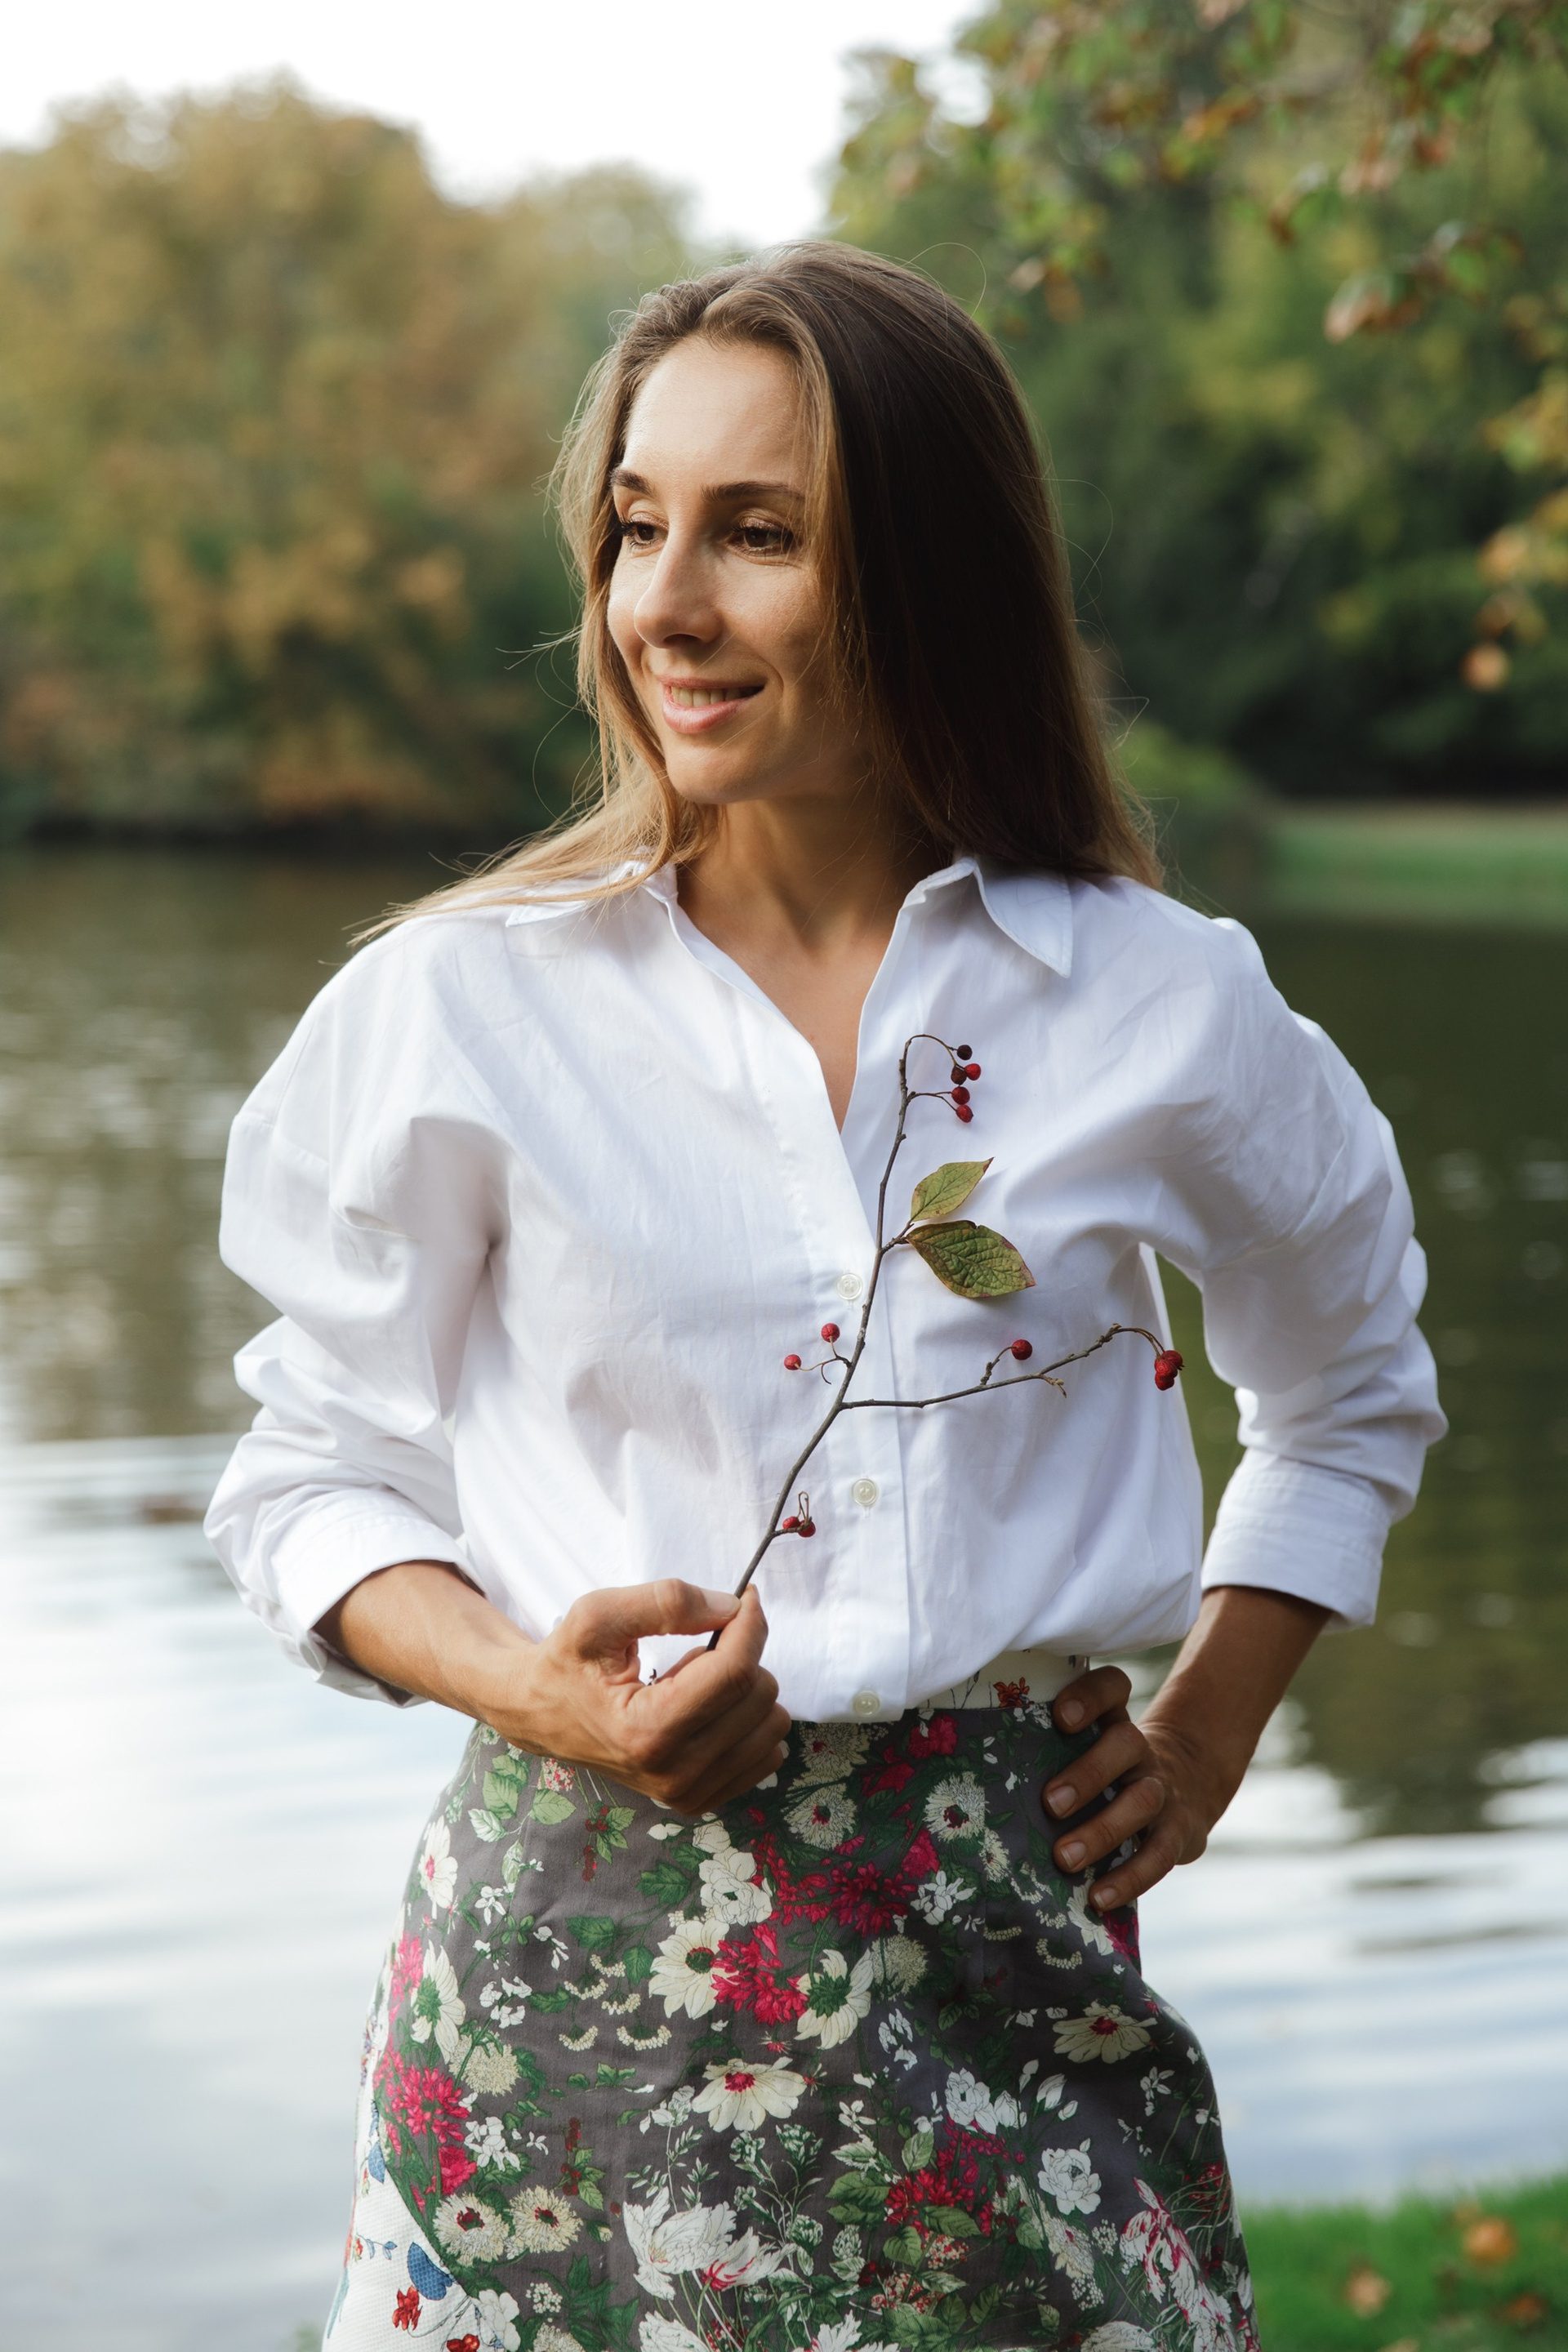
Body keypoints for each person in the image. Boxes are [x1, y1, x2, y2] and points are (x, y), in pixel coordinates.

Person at [206, 244, 1443, 2352]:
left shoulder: (1158, 1002)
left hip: (1011, 1968)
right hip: (572, 1990)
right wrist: (543, 1694)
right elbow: (312, 1476)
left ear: (933, 573)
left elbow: (1350, 1383)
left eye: (758, 534)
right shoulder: (462, 1004)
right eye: (638, 526)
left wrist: (1211, 1727)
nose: (665, 604)